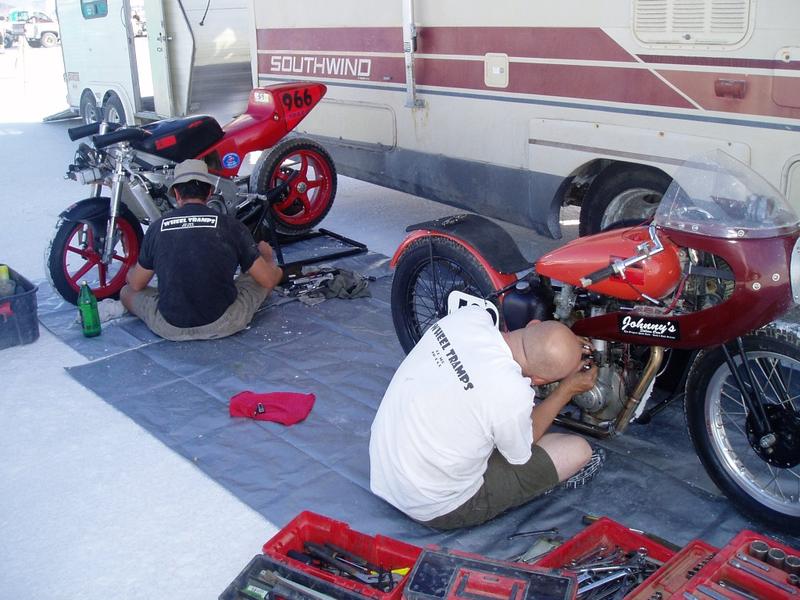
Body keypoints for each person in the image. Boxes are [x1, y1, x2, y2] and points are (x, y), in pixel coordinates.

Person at [369, 305, 600, 530]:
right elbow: (520, 452)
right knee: (577, 450)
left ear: (533, 324)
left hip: (385, 472)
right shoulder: (512, 393)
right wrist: (566, 390)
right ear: (538, 381)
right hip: (435, 506)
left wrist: (565, 343)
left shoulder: (469, 316)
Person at [120, 159, 283, 341]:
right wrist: (267, 257)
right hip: (225, 322)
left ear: (176, 193)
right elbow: (267, 280)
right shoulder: (231, 226)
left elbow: (136, 285)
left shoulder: (156, 228)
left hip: (169, 327)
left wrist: (131, 274)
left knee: (126, 292)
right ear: (210, 192)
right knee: (272, 274)